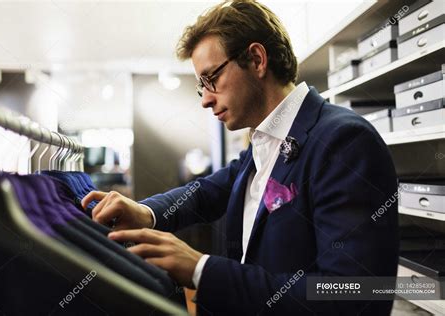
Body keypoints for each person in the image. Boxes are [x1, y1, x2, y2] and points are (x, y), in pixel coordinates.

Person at [81, 1, 399, 315]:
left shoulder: (344, 141)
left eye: (212, 79)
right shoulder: (263, 141)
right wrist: (146, 211)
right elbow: (209, 191)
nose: (205, 99)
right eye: (200, 87)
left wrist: (201, 270)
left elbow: (355, 293)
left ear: (257, 60)